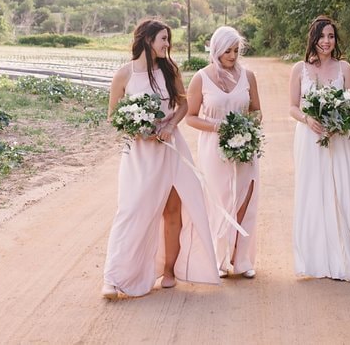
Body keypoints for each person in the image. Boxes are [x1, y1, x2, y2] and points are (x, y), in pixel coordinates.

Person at [101, 18, 220, 298]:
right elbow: (112, 116)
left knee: (172, 210)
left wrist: (169, 126)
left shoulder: (169, 70)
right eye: (163, 39)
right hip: (139, 154)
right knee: (130, 210)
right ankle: (113, 277)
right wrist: (136, 127)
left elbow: (183, 105)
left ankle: (169, 270)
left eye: (168, 39)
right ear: (147, 39)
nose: (168, 44)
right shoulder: (124, 74)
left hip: (170, 149)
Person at [288, 15, 350, 282]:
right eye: (321, 36)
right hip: (310, 138)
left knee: (345, 189)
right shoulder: (300, 69)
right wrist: (308, 119)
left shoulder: (345, 68)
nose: (326, 42)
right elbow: (292, 107)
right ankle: (319, 258)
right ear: (313, 38)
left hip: (339, 137)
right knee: (314, 192)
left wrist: (341, 124)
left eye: (331, 36)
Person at [185, 26, 262, 278]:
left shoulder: (248, 76)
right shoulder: (201, 78)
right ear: (216, 49)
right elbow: (191, 117)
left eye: (236, 50)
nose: (232, 55)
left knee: (244, 198)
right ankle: (219, 261)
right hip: (213, 148)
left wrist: (248, 126)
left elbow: (257, 111)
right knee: (218, 201)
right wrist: (219, 127)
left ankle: (241, 260)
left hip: (245, 146)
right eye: (227, 50)